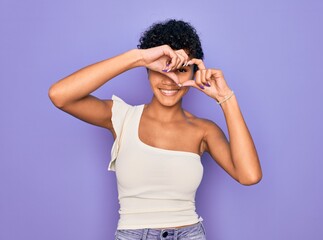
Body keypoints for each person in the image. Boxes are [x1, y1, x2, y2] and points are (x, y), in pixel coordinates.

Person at [48, 19, 262, 240]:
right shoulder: (122, 118)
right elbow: (60, 96)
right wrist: (138, 57)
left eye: (181, 70)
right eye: (162, 68)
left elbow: (249, 175)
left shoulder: (204, 130)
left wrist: (225, 98)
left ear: (194, 73)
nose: (169, 80)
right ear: (148, 71)